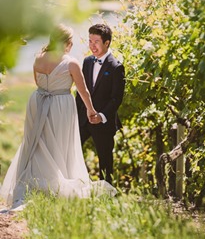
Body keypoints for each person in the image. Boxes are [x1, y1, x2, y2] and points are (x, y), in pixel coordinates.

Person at [0, 24, 116, 212]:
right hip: (60, 105)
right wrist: (91, 110)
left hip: (37, 101)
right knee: (59, 144)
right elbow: (83, 91)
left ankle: (33, 182)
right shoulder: (71, 63)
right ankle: (54, 183)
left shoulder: (38, 58)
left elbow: (38, 83)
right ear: (68, 44)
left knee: (37, 142)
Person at [76, 23, 125, 184]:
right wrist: (76, 117)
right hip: (83, 120)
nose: (92, 45)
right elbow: (81, 91)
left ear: (107, 43)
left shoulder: (116, 67)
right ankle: (73, 187)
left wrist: (101, 116)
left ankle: (106, 195)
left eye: (96, 41)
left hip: (104, 122)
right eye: (90, 41)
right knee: (72, 152)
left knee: (105, 161)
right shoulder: (87, 62)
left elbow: (116, 98)